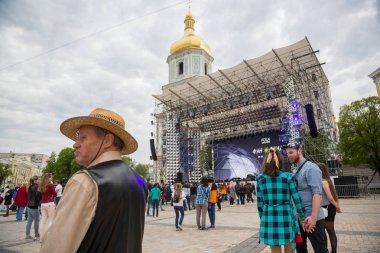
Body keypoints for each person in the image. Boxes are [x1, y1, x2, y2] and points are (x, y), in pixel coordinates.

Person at [41, 108, 147, 253]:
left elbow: (57, 246)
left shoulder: (85, 181)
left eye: (82, 137)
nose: (75, 144)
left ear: (107, 140)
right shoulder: (140, 181)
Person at [257, 147, 305, 253]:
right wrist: (303, 217)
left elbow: (260, 204)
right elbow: (297, 199)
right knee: (290, 250)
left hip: (269, 217)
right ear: (280, 160)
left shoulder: (260, 178)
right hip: (286, 217)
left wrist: (263, 218)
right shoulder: (288, 177)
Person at [285, 142, 328, 253]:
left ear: (300, 151)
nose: (288, 155)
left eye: (291, 152)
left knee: (320, 249)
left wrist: (313, 218)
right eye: (287, 153)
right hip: (299, 218)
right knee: (300, 249)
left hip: (311, 218)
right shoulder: (295, 171)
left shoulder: (311, 168)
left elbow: (317, 194)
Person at [318, 163, 342, 253]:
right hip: (323, 208)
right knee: (323, 232)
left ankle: (333, 251)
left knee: (330, 231)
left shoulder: (323, 181)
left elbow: (330, 197)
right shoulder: (324, 180)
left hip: (328, 208)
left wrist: (337, 206)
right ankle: (325, 250)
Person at [38, 173, 57, 240]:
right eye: (51, 177)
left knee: (43, 221)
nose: (52, 178)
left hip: (43, 204)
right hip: (49, 204)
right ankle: (49, 237)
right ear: (48, 178)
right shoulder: (49, 185)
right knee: (51, 220)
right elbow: (55, 194)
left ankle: (41, 237)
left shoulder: (42, 185)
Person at [26, 176, 40, 240]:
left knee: (29, 221)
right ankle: (36, 234)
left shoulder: (30, 186)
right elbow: (37, 197)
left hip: (29, 205)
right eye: (39, 179)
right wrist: (40, 203)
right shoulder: (36, 186)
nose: (39, 180)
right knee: (36, 221)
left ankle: (27, 235)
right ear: (35, 180)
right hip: (34, 206)